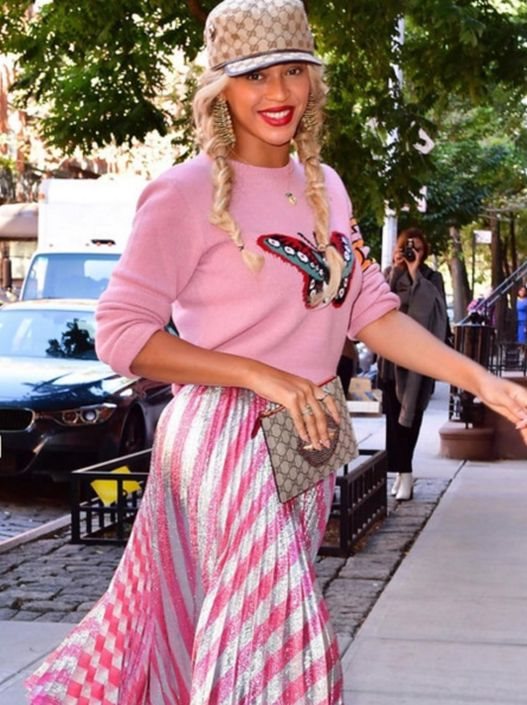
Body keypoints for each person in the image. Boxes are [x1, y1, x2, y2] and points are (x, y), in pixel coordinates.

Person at [27, 1, 527, 703]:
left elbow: (371, 311)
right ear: (220, 89)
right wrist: (261, 375)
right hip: (221, 435)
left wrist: (479, 378)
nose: (279, 92)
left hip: (308, 436)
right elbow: (121, 333)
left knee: (227, 624)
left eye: (293, 70)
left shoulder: (327, 189)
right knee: (276, 641)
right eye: (255, 75)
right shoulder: (183, 192)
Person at [378, 228, 449, 501]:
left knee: (411, 417)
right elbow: (380, 305)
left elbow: (432, 308)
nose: (411, 253)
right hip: (391, 359)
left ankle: (405, 471)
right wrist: (397, 270)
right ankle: (401, 472)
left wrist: (415, 271)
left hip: (419, 360)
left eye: (416, 248)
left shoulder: (432, 277)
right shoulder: (389, 274)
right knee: (393, 420)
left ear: (424, 251)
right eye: (407, 248)